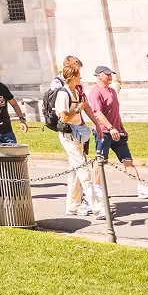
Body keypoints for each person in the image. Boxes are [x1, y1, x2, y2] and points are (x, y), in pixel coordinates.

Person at [86, 65, 148, 198]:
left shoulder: (112, 91)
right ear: (98, 76)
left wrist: (121, 128)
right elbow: (98, 113)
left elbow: (115, 113)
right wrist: (110, 128)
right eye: (107, 74)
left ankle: (140, 187)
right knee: (101, 160)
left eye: (110, 74)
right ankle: (96, 187)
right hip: (103, 131)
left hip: (117, 131)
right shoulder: (95, 92)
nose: (110, 76)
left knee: (127, 159)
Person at [52, 58, 107, 217]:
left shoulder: (77, 91)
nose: (81, 78)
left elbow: (87, 107)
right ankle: (97, 207)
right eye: (78, 76)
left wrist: (97, 124)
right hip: (68, 135)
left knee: (75, 171)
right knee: (83, 170)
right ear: (72, 77)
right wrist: (77, 108)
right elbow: (63, 117)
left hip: (78, 134)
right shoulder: (63, 93)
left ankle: (72, 206)